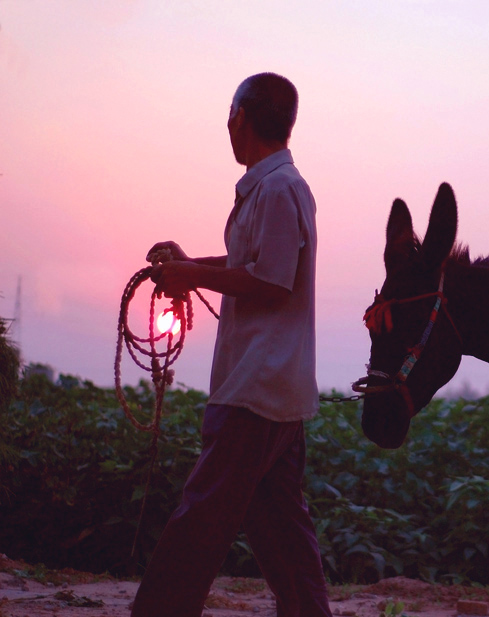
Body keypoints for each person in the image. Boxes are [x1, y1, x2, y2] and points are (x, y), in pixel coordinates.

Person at [131, 73, 332, 617]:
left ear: (241, 116)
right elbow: (259, 267)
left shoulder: (278, 188)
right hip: (274, 389)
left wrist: (192, 274)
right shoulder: (273, 187)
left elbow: (271, 281)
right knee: (280, 527)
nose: (227, 123)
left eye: (230, 113)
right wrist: (190, 268)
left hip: (256, 385)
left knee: (200, 518)